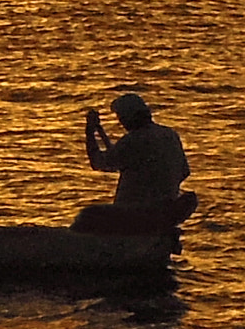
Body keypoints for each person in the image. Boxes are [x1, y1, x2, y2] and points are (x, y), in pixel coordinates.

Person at [72, 90, 197, 235]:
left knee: (88, 215)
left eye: (120, 118)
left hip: (136, 213)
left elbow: (98, 162)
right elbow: (184, 172)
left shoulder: (133, 140)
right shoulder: (170, 135)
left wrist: (89, 132)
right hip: (163, 208)